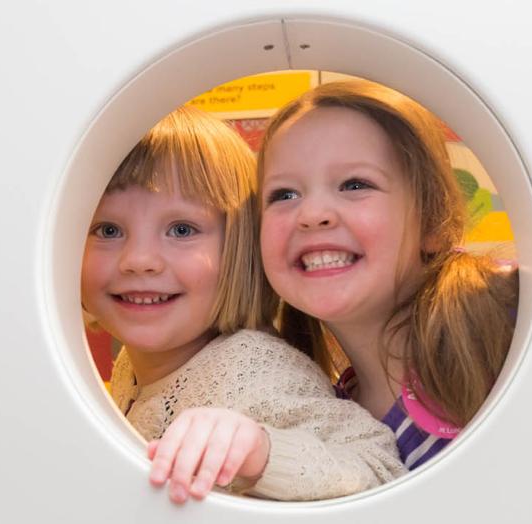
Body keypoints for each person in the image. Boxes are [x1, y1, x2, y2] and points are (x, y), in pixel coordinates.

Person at [81, 106, 405, 504]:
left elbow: (379, 467)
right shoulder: (136, 363)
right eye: (108, 230)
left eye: (182, 229)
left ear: (238, 250)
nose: (138, 259)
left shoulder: (253, 368)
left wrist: (261, 450)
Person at [258, 80, 518, 471]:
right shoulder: (325, 419)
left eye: (355, 184)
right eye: (284, 195)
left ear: (432, 221)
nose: (312, 214)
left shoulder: (510, 315)